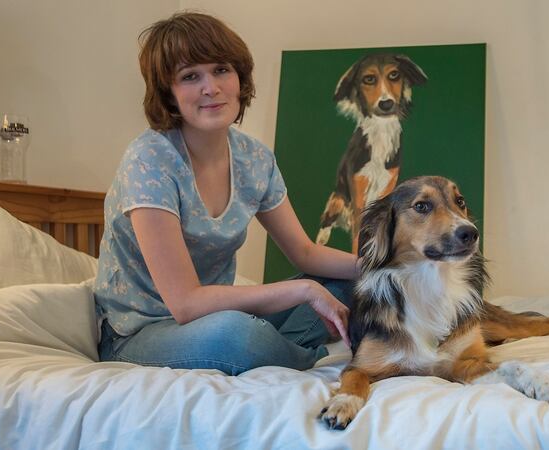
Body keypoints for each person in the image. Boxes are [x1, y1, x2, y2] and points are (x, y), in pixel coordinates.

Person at [94, 11, 359, 375]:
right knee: (236, 334)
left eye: (221, 70)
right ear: (168, 94)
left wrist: (386, 265)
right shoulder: (149, 160)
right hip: (141, 331)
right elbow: (185, 304)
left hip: (219, 314)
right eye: (190, 76)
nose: (211, 88)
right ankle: (303, 358)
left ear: (239, 78)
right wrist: (304, 291)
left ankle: (276, 352)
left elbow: (305, 253)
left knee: (353, 283)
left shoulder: (255, 158)